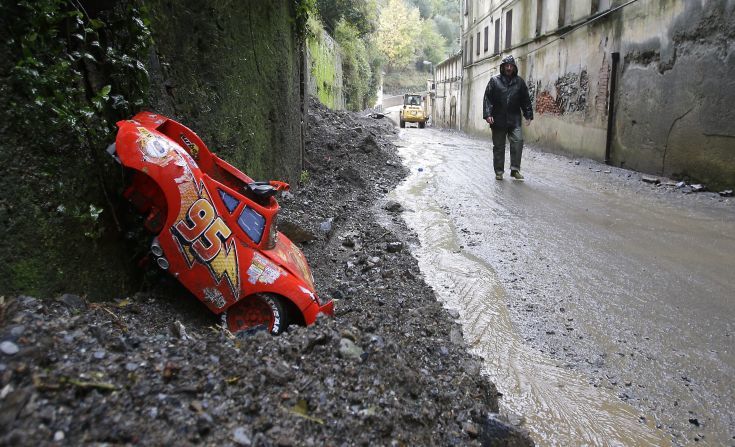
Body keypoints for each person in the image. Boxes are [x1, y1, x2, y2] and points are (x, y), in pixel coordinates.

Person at [482, 55, 533, 180]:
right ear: (503, 67)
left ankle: (515, 169)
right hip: (498, 119)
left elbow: (525, 100)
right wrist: (488, 114)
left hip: (514, 119)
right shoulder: (494, 81)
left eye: (511, 66)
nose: (509, 68)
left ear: (514, 68)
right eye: (506, 66)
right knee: (499, 146)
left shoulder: (519, 82)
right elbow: (487, 99)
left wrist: (528, 115)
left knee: (518, 141)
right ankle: (499, 171)